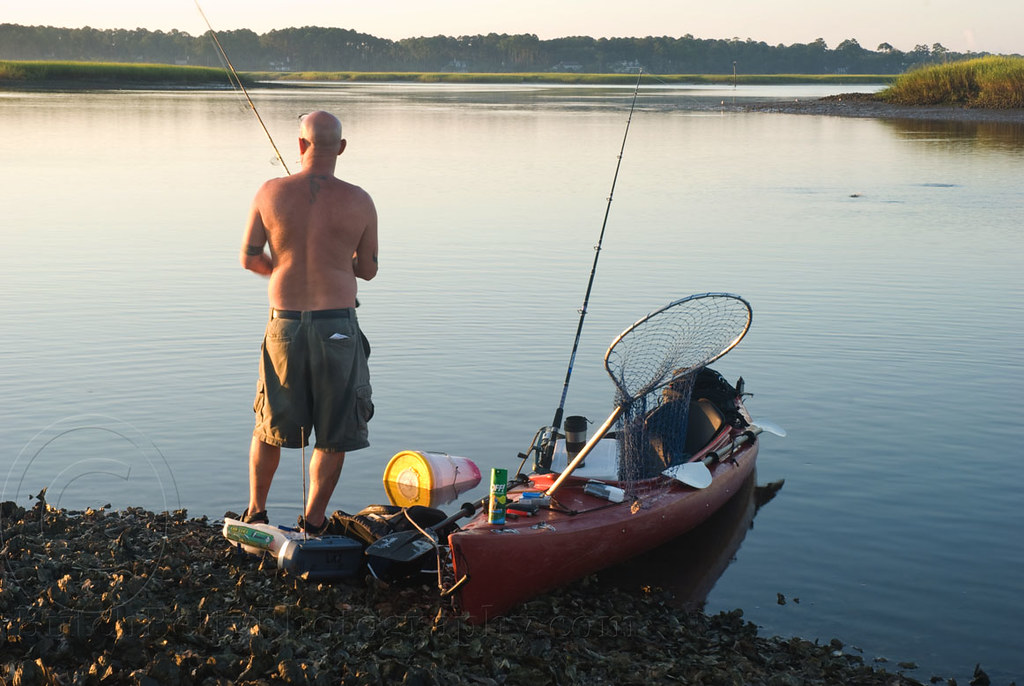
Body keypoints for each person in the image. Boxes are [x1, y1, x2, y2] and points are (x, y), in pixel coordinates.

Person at [239, 110, 378, 534]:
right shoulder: (360, 200)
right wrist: (337, 260)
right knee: (335, 431)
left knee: (269, 426)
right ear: (341, 148)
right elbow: (368, 269)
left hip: (284, 325)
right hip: (337, 324)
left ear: (299, 146)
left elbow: (249, 258)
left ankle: (256, 513)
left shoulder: (269, 192)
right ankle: (313, 523)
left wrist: (283, 266)